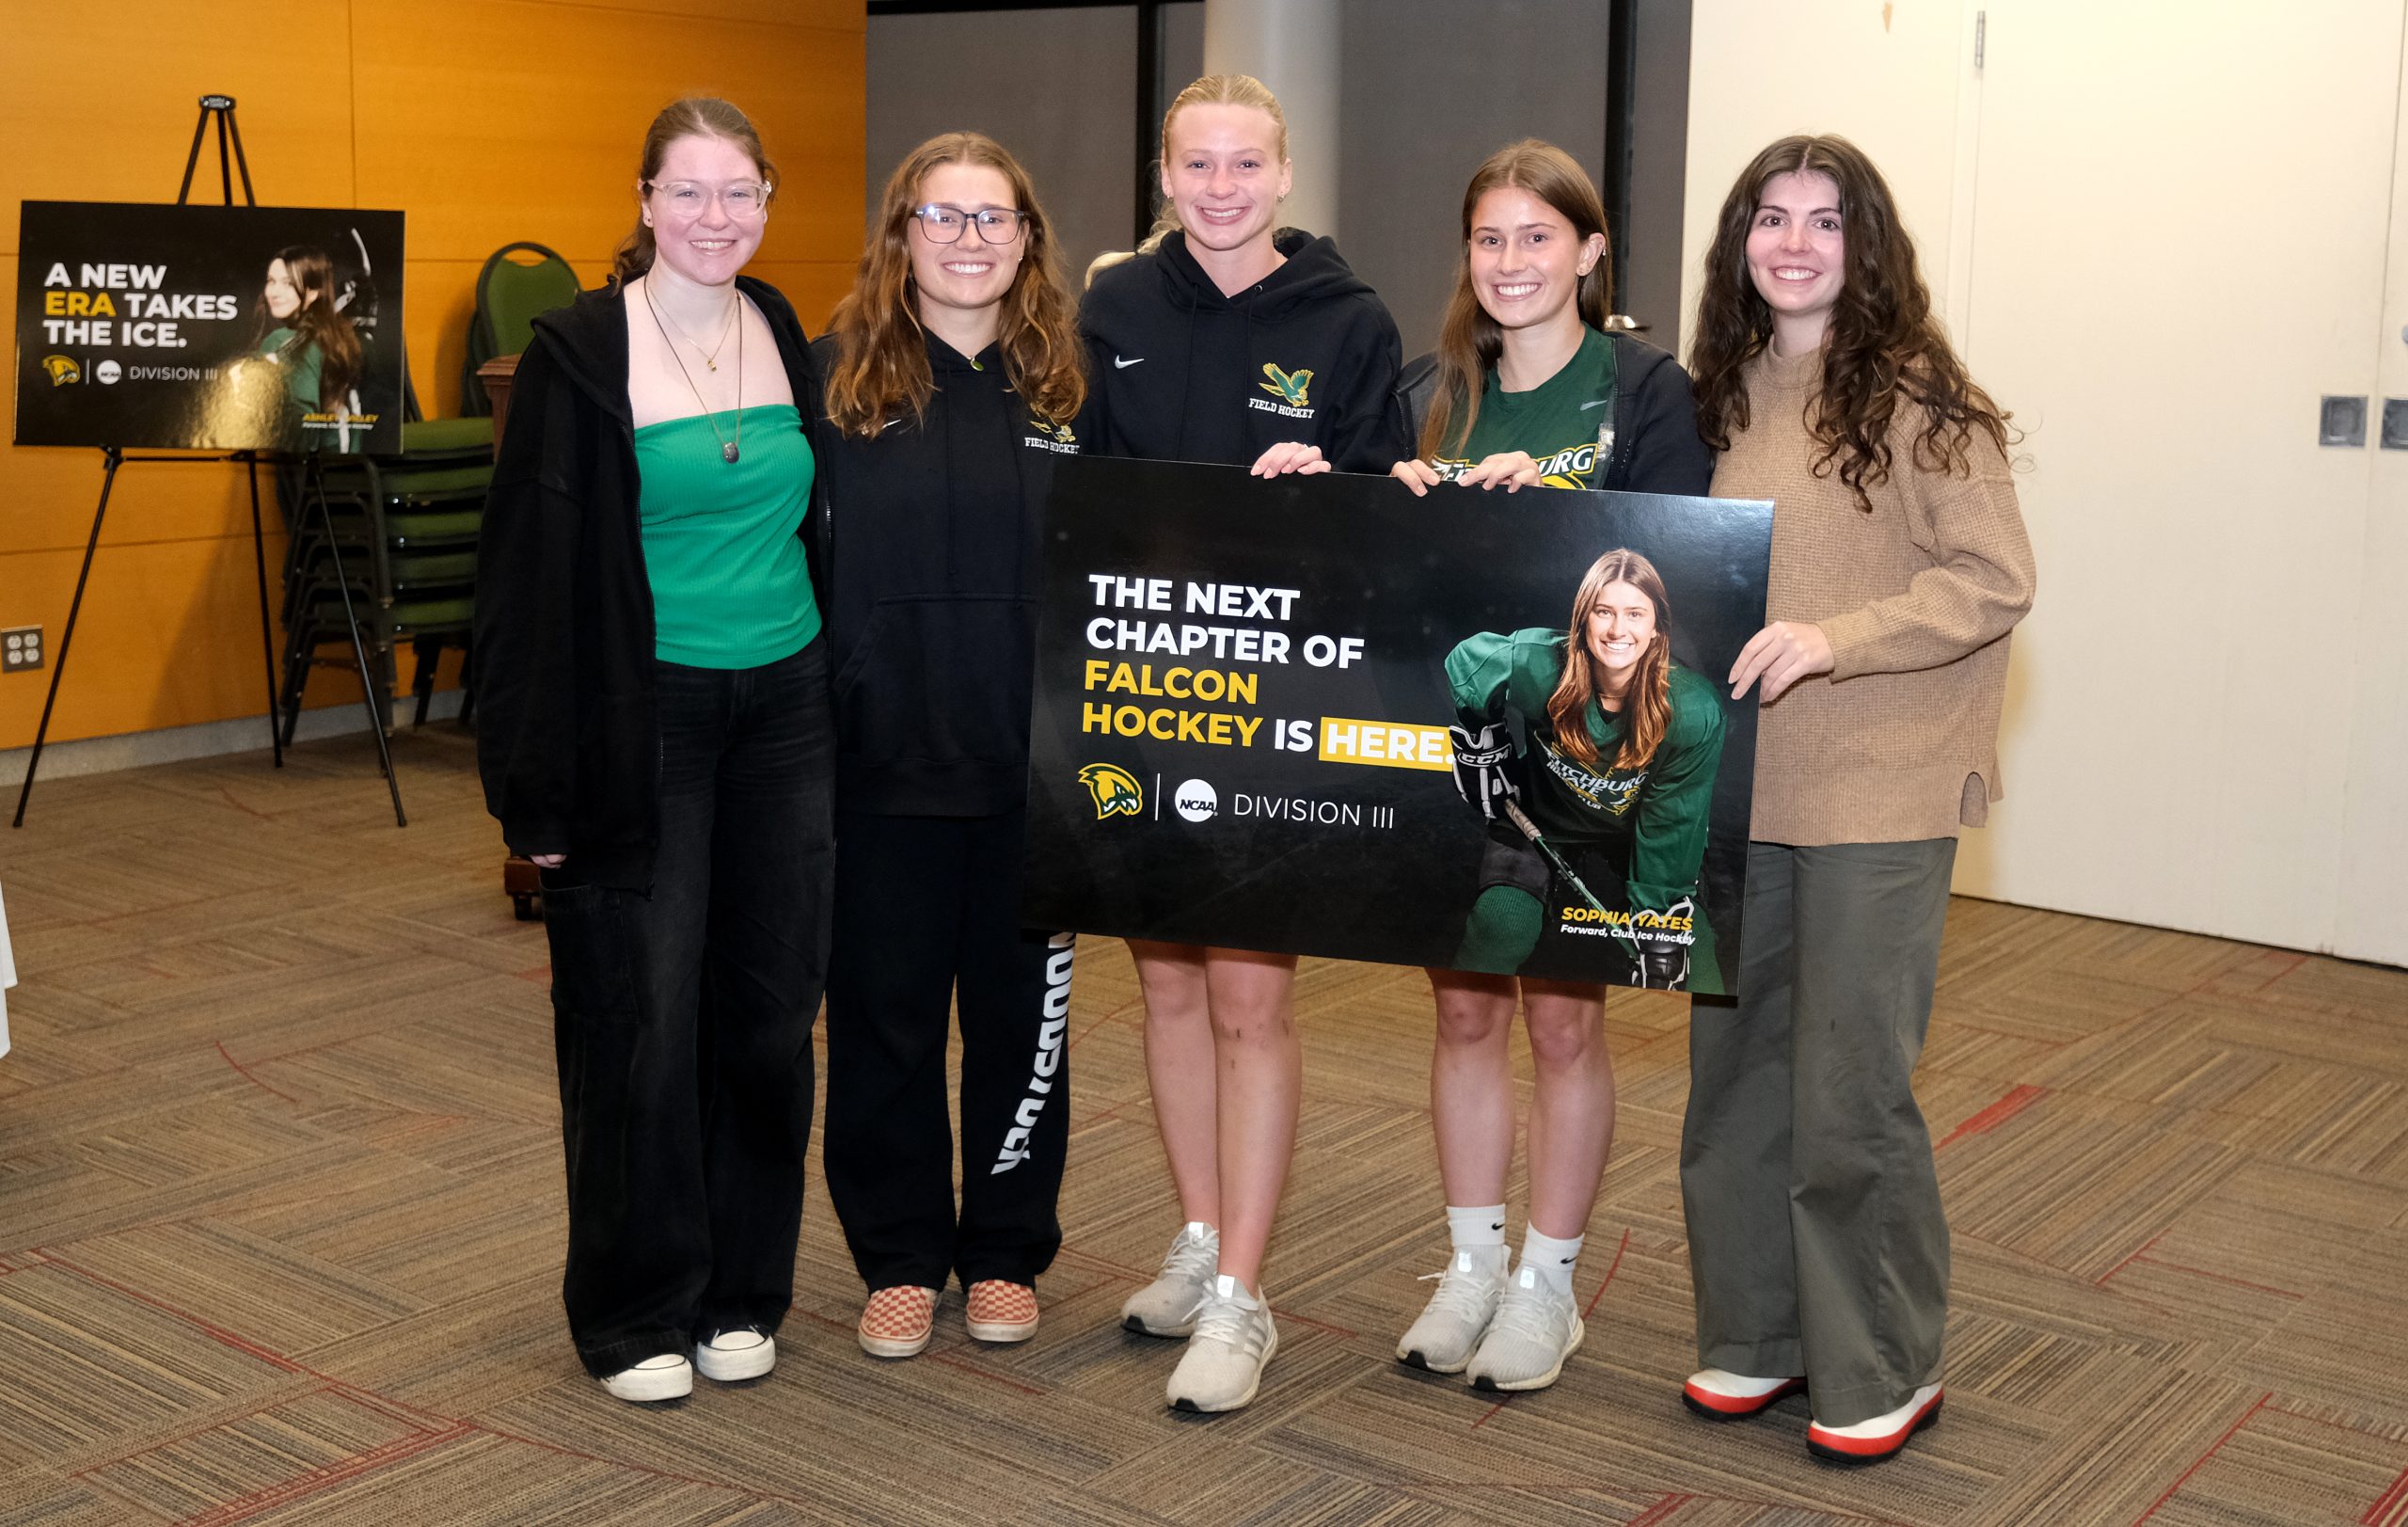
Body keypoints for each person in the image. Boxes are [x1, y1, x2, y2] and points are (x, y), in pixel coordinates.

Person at [1678, 134, 2035, 1464]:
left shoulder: (1925, 397)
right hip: (1733, 786)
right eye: (1772, 217)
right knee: (1734, 1075)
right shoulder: (1715, 390)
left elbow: (1993, 577)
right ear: (1741, 241)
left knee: (1848, 1090)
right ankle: (1756, 1330)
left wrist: (1840, 635)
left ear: (1864, 245)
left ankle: (1880, 1357)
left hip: (1877, 785)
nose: (1795, 242)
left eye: (1826, 221)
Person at [472, 97, 833, 1406]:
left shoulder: (783, 326)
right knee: (640, 1014)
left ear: (767, 203)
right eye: (689, 192)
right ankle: (635, 1305)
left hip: (787, 714)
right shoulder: (576, 352)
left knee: (767, 1012)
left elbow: (816, 528)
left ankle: (742, 1287)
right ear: (642, 201)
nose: (716, 218)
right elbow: (518, 585)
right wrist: (530, 788)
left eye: (742, 192)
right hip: (645, 722)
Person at [1078, 72, 1405, 1414]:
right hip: (1145, 700)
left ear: (1283, 175)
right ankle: (1202, 1232)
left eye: (1245, 164)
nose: (1220, 186)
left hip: (1281, 709)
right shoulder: (1112, 307)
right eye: (1196, 164)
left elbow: (1394, 519)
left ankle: (1246, 1295)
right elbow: (1081, 491)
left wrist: (1327, 492)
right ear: (1164, 176)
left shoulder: (1350, 320)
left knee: (1252, 999)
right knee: (1163, 988)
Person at [1386, 141, 1716, 1394]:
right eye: (1490, 239)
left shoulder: (1644, 387)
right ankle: (1471, 1261)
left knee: (1566, 1017)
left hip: (1593, 771)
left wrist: (1561, 519)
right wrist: (1398, 488)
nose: (1511, 262)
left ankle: (1548, 1281)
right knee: (1465, 1003)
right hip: (1463, 763)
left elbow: (1680, 562)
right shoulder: (1428, 389)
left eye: (1538, 237)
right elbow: (1384, 582)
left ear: (1588, 251)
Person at [812, 132, 1086, 1362]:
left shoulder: (1080, 392)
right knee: (884, 1022)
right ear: (901, 234)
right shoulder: (830, 383)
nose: (969, 238)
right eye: (942, 215)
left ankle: (1005, 1248)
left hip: (1037, 777)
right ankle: (902, 1254)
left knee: (1027, 1024)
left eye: (994, 216)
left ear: (1027, 238)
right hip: (881, 767)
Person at [252, 246, 361, 439]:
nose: (274, 292)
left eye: (288, 284)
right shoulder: (336, 338)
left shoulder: (284, 342)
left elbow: (300, 423)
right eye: (271, 281)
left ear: (312, 292)